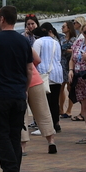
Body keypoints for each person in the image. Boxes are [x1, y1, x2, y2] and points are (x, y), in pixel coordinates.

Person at [0, 4, 39, 172]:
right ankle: (14, 170)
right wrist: (25, 88)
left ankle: (10, 171)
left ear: (2, 19)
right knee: (14, 133)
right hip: (18, 93)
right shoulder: (23, 42)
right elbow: (30, 68)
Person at [30, 22, 63, 154]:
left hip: (44, 74)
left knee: (45, 103)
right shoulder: (56, 41)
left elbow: (35, 58)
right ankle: (55, 123)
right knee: (54, 101)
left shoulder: (38, 43)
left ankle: (45, 126)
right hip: (57, 73)